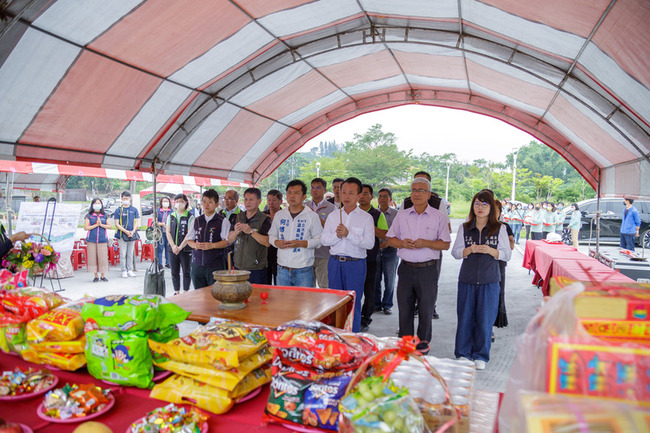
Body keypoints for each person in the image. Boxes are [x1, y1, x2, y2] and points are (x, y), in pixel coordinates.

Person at [386, 177, 451, 352]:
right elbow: (390, 239)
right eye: (413, 190)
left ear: (429, 194)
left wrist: (427, 243)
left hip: (428, 270)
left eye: (421, 190)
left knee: (426, 311)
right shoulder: (402, 215)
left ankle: (422, 348)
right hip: (406, 269)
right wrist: (402, 243)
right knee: (405, 311)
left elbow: (445, 243)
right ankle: (406, 347)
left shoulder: (438, 216)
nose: (416, 193)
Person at [451, 190, 511, 370]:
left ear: (491, 207)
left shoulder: (499, 228)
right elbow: (455, 252)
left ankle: (481, 355)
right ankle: (462, 353)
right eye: (477, 203)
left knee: (485, 320)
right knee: (465, 318)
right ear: (472, 206)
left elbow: (506, 254)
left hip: (490, 280)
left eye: (485, 204)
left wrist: (491, 251)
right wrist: (468, 250)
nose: (480, 207)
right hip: (467, 280)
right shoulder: (465, 227)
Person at [321, 177, 375, 333]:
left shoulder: (366, 218)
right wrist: (337, 236)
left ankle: (353, 337)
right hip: (335, 263)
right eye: (343, 192)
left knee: (353, 302)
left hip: (355, 264)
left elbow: (369, 244)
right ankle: (336, 335)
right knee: (335, 302)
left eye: (351, 193)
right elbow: (324, 240)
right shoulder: (333, 216)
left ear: (359, 196)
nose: (346, 196)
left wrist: (348, 234)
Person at [402, 170, 450, 320]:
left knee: (430, 283)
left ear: (429, 190)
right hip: (409, 254)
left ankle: (430, 307)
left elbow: (447, 230)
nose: (417, 192)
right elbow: (398, 229)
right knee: (406, 292)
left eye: (422, 188)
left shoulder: (438, 203)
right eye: (414, 187)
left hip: (431, 252)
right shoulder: (406, 202)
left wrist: (428, 240)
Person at [268, 180, 323, 287]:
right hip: (282, 269)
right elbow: (271, 235)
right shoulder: (280, 215)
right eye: (289, 192)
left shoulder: (312, 216)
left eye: (296, 193)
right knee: (283, 303)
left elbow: (319, 240)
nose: (292, 196)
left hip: (303, 270)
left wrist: (301, 243)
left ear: (304, 197)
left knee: (303, 303)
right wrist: (276, 242)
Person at [357, 184, 388, 332]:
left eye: (365, 194)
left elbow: (384, 234)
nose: (362, 196)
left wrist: (368, 226)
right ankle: (353, 317)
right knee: (354, 290)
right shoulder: (351, 213)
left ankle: (365, 318)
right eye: (360, 194)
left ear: (371, 197)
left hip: (370, 258)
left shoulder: (377, 214)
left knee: (369, 290)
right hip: (354, 258)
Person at [187, 189, 231, 289]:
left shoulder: (223, 221)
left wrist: (212, 245)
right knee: (199, 296)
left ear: (216, 204)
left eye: (210, 202)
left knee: (215, 296)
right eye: (204, 201)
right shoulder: (196, 220)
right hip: (197, 265)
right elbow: (189, 239)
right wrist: (195, 245)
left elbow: (227, 242)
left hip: (215, 266)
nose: (206, 205)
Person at [227, 187, 272, 284]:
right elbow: (229, 240)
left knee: (256, 297)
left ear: (259, 201)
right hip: (238, 266)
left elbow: (267, 242)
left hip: (257, 269)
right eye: (246, 199)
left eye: (251, 199)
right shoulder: (237, 217)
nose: (247, 202)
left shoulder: (265, 220)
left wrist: (251, 232)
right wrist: (235, 232)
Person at [306, 178, 336, 288]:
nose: (315, 190)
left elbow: (332, 230)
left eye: (318, 188)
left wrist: (318, 220)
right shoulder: (304, 206)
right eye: (312, 187)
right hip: (306, 254)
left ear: (324, 190)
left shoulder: (332, 208)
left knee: (325, 287)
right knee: (308, 288)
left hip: (324, 254)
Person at [374, 187, 399, 315]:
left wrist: (388, 242)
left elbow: (399, 233)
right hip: (376, 250)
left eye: (385, 196)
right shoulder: (374, 213)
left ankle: (387, 304)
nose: (382, 199)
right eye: (380, 196)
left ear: (390, 199)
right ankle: (376, 303)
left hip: (391, 250)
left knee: (390, 279)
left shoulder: (396, 214)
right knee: (375, 278)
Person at [493, 201, 515, 339]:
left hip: (499, 264)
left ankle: (490, 327)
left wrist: (504, 242)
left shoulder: (504, 227)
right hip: (480, 266)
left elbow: (511, 246)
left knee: (497, 294)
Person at [166, 193, 194, 294]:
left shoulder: (190, 216)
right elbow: (168, 232)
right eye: (177, 202)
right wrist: (173, 246)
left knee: (186, 271)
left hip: (185, 249)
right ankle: (176, 291)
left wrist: (180, 247)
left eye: (181, 202)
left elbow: (189, 234)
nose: (179, 204)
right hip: (172, 249)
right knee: (174, 271)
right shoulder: (171, 216)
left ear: (186, 203)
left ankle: (186, 292)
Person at [114, 191, 140, 278]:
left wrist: (132, 231)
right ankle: (123, 270)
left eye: (127, 198)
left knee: (130, 254)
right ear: (121, 199)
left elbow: (136, 221)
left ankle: (130, 270)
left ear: (130, 199)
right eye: (124, 198)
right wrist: (126, 231)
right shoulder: (118, 210)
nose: (126, 200)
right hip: (122, 235)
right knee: (123, 254)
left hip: (131, 235)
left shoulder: (134, 209)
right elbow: (116, 224)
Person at [84, 198, 111, 282]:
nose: (97, 204)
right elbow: (86, 227)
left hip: (102, 239)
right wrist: (96, 225)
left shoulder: (105, 215)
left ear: (101, 205)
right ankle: (95, 275)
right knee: (92, 257)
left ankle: (103, 276)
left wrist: (101, 225)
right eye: (95, 203)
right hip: (91, 240)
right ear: (92, 205)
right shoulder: (88, 215)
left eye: (99, 203)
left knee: (103, 257)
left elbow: (109, 226)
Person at [264, 189, 283, 284]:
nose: (271, 203)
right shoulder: (262, 215)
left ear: (281, 201)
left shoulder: (285, 216)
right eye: (269, 200)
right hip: (264, 253)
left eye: (274, 200)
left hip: (279, 253)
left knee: (278, 281)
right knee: (266, 281)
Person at [155, 196, 172, 269]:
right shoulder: (158, 211)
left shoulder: (172, 211)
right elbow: (155, 222)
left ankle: (168, 262)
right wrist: (161, 224)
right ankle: (160, 263)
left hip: (169, 233)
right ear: (161, 202)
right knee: (160, 248)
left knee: (168, 248)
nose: (165, 203)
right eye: (164, 201)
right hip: (160, 232)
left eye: (167, 201)